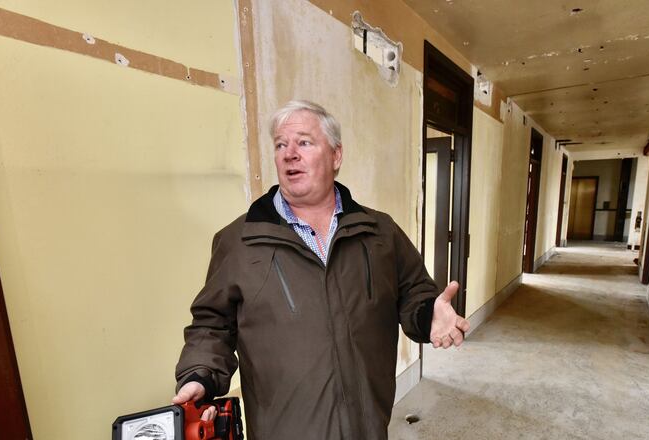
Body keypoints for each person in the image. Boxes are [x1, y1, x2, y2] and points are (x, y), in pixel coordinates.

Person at [173, 100, 469, 439]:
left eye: (303, 142)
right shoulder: (239, 241)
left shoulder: (380, 233)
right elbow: (212, 323)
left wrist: (429, 314)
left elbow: (413, 290)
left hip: (367, 427)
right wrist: (199, 374)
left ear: (336, 156)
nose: (289, 154)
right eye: (281, 145)